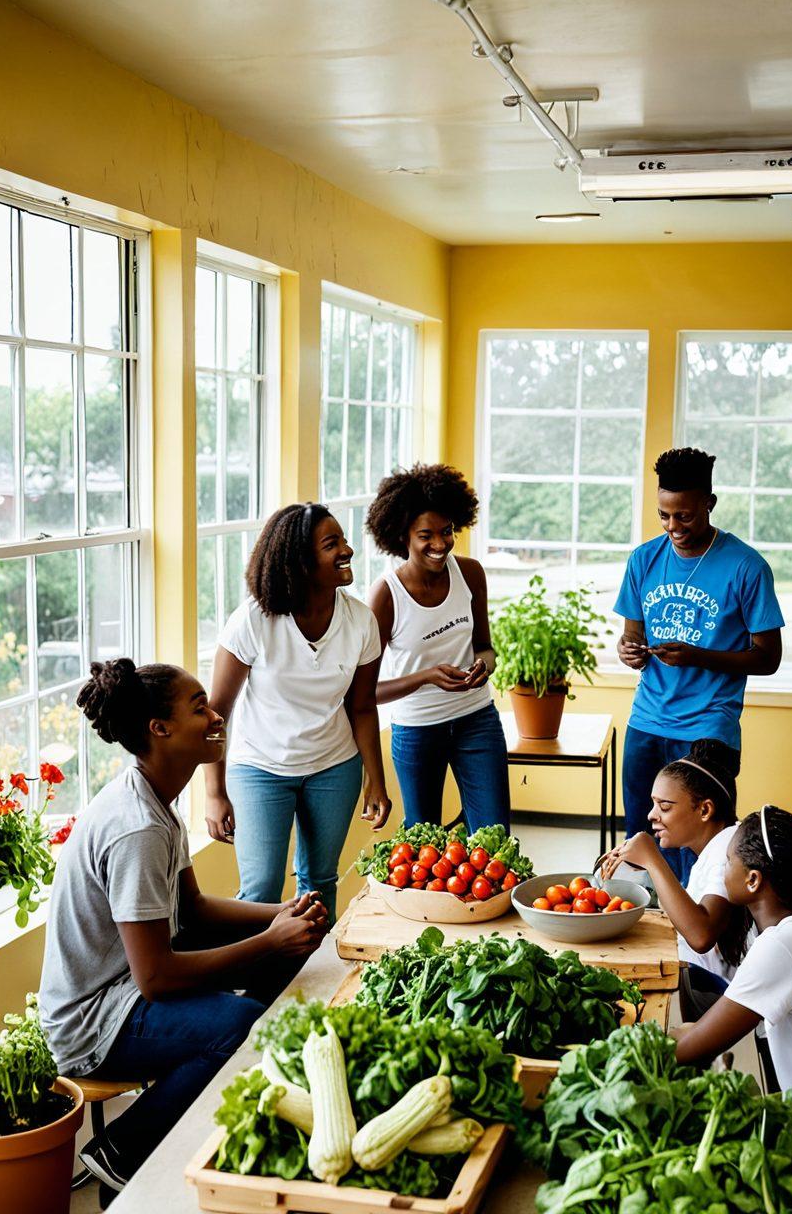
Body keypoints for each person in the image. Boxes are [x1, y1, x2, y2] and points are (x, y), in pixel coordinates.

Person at [39, 658, 329, 1197]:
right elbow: (156, 979)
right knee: (240, 1024)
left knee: (285, 956)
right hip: (92, 1021)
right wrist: (267, 941)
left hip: (128, 986)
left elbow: (191, 908)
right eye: (200, 707)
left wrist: (280, 916)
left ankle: (234, 1105)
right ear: (160, 728)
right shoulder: (139, 828)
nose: (216, 714)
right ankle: (125, 1149)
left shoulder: (155, 798)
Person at [204, 503, 391, 924]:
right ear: (301, 562)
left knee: (320, 881)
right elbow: (216, 713)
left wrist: (375, 780)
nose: (347, 550)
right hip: (260, 767)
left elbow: (361, 706)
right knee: (261, 887)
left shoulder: (361, 621)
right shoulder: (254, 620)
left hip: (333, 766)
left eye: (343, 540)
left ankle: (310, 984)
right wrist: (215, 793)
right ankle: (253, 987)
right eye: (332, 544)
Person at [615, 446, 783, 883]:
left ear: (709, 502)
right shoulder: (643, 559)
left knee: (703, 853)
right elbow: (632, 636)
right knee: (642, 840)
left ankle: (701, 944)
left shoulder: (746, 566)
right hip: (647, 720)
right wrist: (629, 650)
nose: (674, 528)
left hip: (710, 728)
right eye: (664, 515)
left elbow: (769, 658)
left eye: (685, 516)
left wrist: (695, 656)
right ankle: (649, 931)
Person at [675, 806, 792, 1171]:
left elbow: (689, 1051)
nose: (722, 870)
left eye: (727, 861)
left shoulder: (783, 947)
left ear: (753, 880)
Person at [365, 463, 510, 831]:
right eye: (426, 535)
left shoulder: (471, 574)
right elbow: (366, 693)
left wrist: (484, 667)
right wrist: (426, 677)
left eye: (446, 532)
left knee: (495, 837)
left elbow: (485, 648)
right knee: (422, 842)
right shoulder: (386, 595)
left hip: (476, 719)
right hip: (417, 730)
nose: (440, 544)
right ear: (402, 536)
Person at [600, 738, 746, 1018]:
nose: (651, 815)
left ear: (705, 810)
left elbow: (701, 934)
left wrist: (653, 860)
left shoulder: (727, 850)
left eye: (664, 807)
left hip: (712, 995)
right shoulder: (715, 847)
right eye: (654, 804)